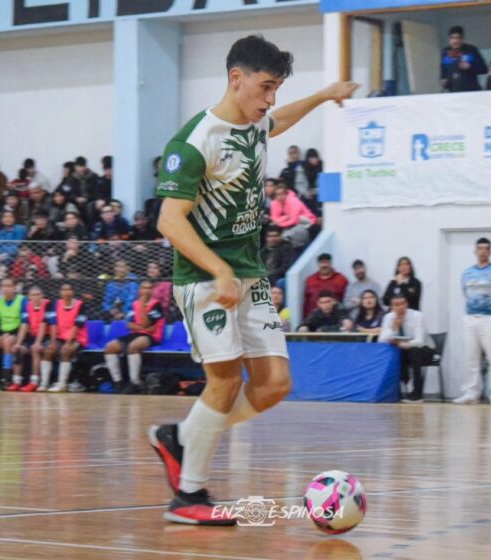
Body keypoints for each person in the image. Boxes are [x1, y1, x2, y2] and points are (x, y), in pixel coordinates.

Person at [146, 34, 357, 525]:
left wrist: (325, 94)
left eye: (277, 87)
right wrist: (218, 270)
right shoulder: (194, 142)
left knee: (275, 385)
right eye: (265, 87)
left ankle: (182, 437)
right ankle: (188, 496)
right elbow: (168, 222)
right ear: (235, 78)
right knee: (224, 379)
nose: (271, 99)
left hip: (251, 274)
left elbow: (279, 121)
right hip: (204, 278)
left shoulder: (256, 123)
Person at [454, 238, 491, 404]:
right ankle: (471, 393)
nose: (483, 251)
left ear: (490, 251)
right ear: (475, 251)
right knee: (471, 357)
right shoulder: (466, 273)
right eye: (480, 248)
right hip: (471, 319)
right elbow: (466, 294)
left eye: (486, 248)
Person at [104, 280, 165, 394]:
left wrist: (142, 306)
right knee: (110, 347)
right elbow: (129, 324)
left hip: (153, 336)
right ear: (139, 290)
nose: (146, 291)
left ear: (152, 291)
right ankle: (118, 382)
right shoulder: (134, 304)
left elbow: (147, 324)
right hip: (136, 333)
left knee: (133, 346)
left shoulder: (156, 305)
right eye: (144, 288)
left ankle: (135, 382)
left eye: (149, 288)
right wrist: (141, 327)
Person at [379, 293, 434, 403]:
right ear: (391, 307)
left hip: (425, 350)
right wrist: (394, 327)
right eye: (396, 305)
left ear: (407, 304)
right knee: (392, 353)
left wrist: (401, 345)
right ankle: (393, 391)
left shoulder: (417, 316)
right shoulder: (389, 317)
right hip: (403, 351)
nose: (399, 307)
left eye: (402, 304)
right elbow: (381, 340)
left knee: (414, 352)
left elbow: (420, 341)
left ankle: (417, 393)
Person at [43, 283, 88, 392]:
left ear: (73, 292)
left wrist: (68, 343)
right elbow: (52, 324)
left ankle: (62, 384)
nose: (66, 292)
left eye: (69, 289)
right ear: (60, 292)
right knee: (49, 350)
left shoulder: (81, 305)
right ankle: (44, 383)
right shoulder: (55, 304)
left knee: (65, 350)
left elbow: (77, 326)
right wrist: (53, 342)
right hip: (60, 337)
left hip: (77, 338)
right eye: (63, 290)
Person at [13, 285, 50, 392]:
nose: (36, 297)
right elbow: (24, 325)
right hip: (32, 336)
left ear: (42, 295)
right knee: (18, 349)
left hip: (44, 337)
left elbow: (44, 326)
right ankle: (16, 381)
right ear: (29, 297)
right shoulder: (27, 306)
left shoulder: (47, 304)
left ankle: (34, 382)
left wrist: (38, 342)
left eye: (38, 295)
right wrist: (18, 343)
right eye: (33, 295)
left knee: (35, 349)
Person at [440, 26, 487, 93]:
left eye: (457, 38)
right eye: (452, 38)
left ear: (462, 39)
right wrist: (443, 79)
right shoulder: (445, 52)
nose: (455, 41)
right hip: (453, 91)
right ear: (449, 39)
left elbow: (484, 69)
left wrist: (469, 67)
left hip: (471, 91)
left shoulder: (471, 50)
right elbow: (443, 69)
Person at [303, 253, 349, 318]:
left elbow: (346, 301)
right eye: (322, 262)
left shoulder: (341, 279)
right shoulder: (310, 280)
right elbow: (306, 302)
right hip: (314, 320)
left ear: (331, 264)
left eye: (326, 262)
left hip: (335, 320)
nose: (324, 265)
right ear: (318, 264)